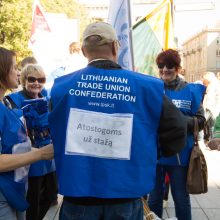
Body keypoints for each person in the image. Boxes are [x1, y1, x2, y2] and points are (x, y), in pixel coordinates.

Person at [48, 22, 187, 220]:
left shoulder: (61, 87)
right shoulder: (147, 86)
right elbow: (177, 128)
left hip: (77, 196)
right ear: (115, 46)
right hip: (126, 195)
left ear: (85, 51)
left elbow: (54, 129)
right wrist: (146, 151)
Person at [148, 49, 206, 220]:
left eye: (170, 66)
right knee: (154, 199)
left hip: (181, 155)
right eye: (161, 66)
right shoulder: (151, 89)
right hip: (155, 154)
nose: (165, 69)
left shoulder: (191, 91)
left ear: (178, 68)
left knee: (181, 198)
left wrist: (178, 121)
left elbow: (201, 120)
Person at [0, 47, 53, 220]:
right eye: (15, 67)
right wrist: (40, 153)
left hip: (16, 189)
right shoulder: (11, 101)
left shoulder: (5, 104)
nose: (18, 72)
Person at [202, 72, 220, 141]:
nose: (204, 81)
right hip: (212, 108)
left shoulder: (213, 84)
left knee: (204, 124)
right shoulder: (215, 83)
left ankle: (212, 140)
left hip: (211, 108)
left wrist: (206, 109)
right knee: (211, 126)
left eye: (204, 79)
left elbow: (210, 98)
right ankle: (211, 140)